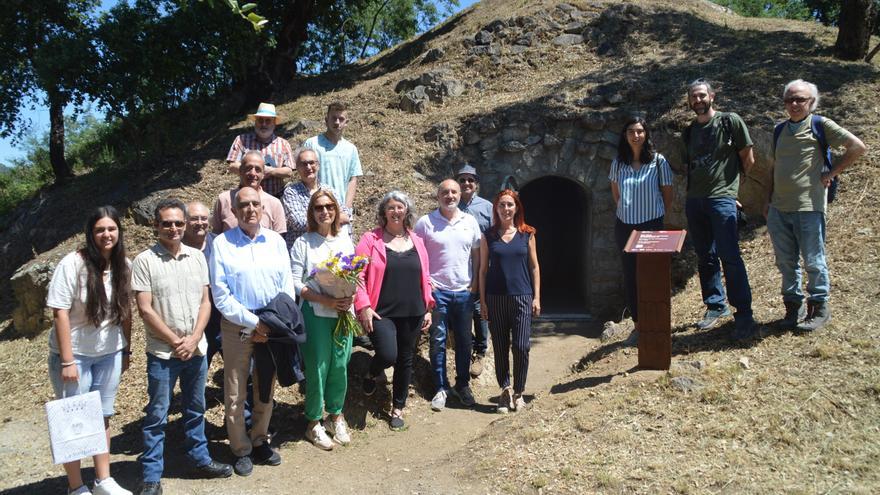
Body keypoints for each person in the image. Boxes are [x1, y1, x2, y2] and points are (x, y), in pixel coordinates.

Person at [132, 199, 233, 495]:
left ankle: (199, 459)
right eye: (167, 223)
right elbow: (145, 310)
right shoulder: (144, 261)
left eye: (178, 223)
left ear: (185, 225)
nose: (173, 228)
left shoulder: (197, 257)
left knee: (195, 408)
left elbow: (206, 302)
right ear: (156, 226)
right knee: (157, 415)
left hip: (196, 349)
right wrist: (176, 341)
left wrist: (193, 338)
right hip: (164, 353)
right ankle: (151, 475)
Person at [46, 206, 133, 495]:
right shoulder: (73, 264)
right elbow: (59, 313)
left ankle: (103, 480)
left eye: (111, 229)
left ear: (119, 232)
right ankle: (76, 486)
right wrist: (68, 361)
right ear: (90, 234)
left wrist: (126, 350)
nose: (106, 235)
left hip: (109, 351)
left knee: (102, 416)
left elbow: (126, 312)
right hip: (76, 355)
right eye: (100, 230)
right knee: (73, 419)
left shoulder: (124, 265)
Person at [766, 79, 867, 331]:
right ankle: (793, 309)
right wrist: (768, 201)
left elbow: (857, 147)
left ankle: (819, 308)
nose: (794, 104)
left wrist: (831, 173)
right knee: (785, 262)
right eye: (789, 99)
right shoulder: (779, 129)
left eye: (800, 99)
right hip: (779, 208)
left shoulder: (820, 125)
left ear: (811, 102)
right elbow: (775, 168)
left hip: (809, 206)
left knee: (813, 260)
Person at [209, 187, 294, 476]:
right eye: (243, 205)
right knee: (235, 389)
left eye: (255, 204)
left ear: (263, 207)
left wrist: (271, 323)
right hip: (237, 326)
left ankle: (259, 440)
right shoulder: (222, 243)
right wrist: (253, 322)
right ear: (233, 211)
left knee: (265, 386)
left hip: (271, 324)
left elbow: (287, 287)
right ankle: (240, 448)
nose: (250, 209)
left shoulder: (275, 242)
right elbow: (220, 294)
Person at [681, 78, 758, 340]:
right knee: (706, 257)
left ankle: (744, 314)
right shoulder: (690, 131)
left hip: (721, 199)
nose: (698, 100)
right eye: (694, 97)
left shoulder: (729, 121)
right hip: (695, 200)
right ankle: (716, 306)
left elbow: (747, 158)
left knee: (730, 256)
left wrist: (731, 192)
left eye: (702, 95)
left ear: (712, 96)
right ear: (690, 101)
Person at [355, 191, 434, 431]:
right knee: (389, 354)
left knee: (405, 360)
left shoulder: (417, 240)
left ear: (407, 211)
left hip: (413, 310)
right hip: (381, 311)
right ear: (383, 213)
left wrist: (428, 308)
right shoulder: (370, 239)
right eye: (391, 207)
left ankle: (397, 408)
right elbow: (357, 275)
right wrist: (364, 306)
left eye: (400, 207)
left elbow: (426, 276)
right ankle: (372, 372)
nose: (396, 211)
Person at [290, 190, 356, 450]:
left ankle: (336, 416)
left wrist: (350, 296)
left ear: (336, 210)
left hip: (342, 312)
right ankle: (313, 422)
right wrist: (324, 299)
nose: (325, 211)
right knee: (318, 367)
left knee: (340, 365)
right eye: (319, 207)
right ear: (312, 212)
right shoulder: (303, 243)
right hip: (316, 312)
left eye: (329, 206)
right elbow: (295, 281)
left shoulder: (345, 240)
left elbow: (353, 274)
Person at [415, 179, 482, 411]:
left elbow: (477, 255)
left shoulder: (470, 221)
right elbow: (418, 257)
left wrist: (474, 286)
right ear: (438, 196)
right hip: (437, 292)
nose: (450, 196)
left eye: (454, 192)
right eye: (445, 192)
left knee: (464, 341)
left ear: (459, 195)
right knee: (438, 341)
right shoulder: (425, 223)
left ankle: (462, 385)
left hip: (463, 292)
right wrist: (426, 287)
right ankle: (441, 388)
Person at [609, 117, 673, 333]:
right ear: (625, 135)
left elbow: (667, 193)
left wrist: (654, 216)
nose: (635, 136)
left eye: (639, 131)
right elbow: (616, 194)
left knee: (651, 274)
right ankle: (638, 325)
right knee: (630, 275)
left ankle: (654, 322)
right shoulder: (618, 162)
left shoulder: (658, 161)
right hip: (625, 226)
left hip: (651, 225)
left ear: (646, 134)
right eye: (630, 132)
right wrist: (628, 210)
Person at [478, 190, 540, 414]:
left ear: (517, 208)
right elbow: (483, 271)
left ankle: (519, 392)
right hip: (495, 299)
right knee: (501, 347)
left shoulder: (527, 234)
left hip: (522, 297)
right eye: (502, 205)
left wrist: (537, 297)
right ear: (496, 208)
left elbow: (534, 267)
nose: (506, 209)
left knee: (521, 346)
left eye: (510, 205)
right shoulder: (488, 236)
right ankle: (505, 391)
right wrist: (483, 302)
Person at [455, 164, 493, 379]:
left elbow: (495, 234)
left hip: (481, 266)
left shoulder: (487, 207)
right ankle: (467, 344)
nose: (466, 183)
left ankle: (480, 351)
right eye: (462, 180)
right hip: (457, 267)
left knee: (479, 310)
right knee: (456, 309)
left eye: (470, 180)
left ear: (476, 184)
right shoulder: (451, 206)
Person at [303, 102, 363, 235]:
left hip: (341, 212)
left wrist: (346, 209)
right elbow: (305, 176)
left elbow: (352, 180)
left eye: (341, 119)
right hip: (318, 210)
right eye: (333, 118)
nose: (337, 122)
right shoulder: (312, 144)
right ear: (326, 120)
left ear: (346, 122)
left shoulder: (351, 149)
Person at [226, 102, 294, 198]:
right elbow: (232, 166)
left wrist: (270, 171)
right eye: (260, 120)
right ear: (255, 122)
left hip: (276, 197)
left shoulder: (283, 144)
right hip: (247, 197)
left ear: (274, 124)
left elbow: (289, 172)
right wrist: (253, 171)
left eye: (268, 121)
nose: (263, 124)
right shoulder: (241, 140)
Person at [182, 201, 221, 366]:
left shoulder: (220, 244)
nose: (200, 223)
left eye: (203, 218)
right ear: (184, 221)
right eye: (194, 219)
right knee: (196, 368)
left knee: (243, 369)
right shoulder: (177, 247)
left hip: (221, 318)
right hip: (193, 321)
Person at [211, 151, 287, 235]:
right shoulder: (224, 199)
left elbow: (279, 240)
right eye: (248, 168)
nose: (252, 173)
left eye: (257, 169)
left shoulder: (274, 204)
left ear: (263, 174)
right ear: (240, 171)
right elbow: (215, 234)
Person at [280, 148, 331, 250]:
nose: (308, 167)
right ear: (297, 168)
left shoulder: (329, 190)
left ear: (318, 165)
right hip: (301, 251)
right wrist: (331, 220)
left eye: (311, 163)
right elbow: (299, 223)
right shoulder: (291, 192)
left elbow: (346, 215)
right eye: (303, 164)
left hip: (326, 249)